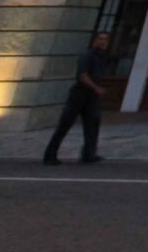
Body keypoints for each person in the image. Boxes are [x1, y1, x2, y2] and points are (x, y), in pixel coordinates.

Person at [42, 30, 113, 166]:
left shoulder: (102, 57)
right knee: (65, 124)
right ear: (95, 40)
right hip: (79, 94)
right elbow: (82, 75)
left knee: (92, 124)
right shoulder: (87, 55)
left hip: (91, 97)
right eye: (101, 39)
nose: (103, 42)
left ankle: (89, 154)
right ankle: (50, 154)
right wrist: (96, 88)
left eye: (106, 40)